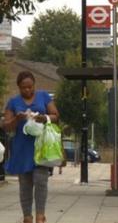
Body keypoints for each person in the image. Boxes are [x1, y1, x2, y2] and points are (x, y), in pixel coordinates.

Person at [2, 71, 59, 223]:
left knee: (41, 181)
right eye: (23, 88)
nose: (27, 90)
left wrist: (44, 117)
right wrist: (16, 118)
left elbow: (55, 115)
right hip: (22, 149)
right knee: (25, 185)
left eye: (30, 87)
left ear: (34, 85)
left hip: (41, 148)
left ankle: (40, 216)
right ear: (18, 87)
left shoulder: (43, 96)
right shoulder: (13, 102)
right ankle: (27, 217)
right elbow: (6, 126)